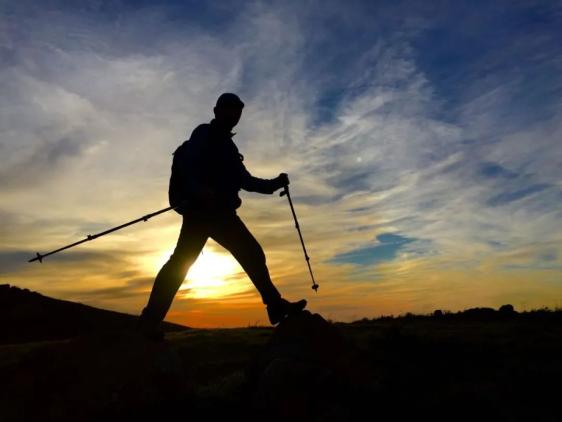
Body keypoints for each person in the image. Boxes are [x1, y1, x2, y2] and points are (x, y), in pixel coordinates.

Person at [137, 93, 307, 341]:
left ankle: (148, 322)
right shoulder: (203, 134)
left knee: (248, 254)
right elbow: (188, 168)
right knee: (187, 263)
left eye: (237, 112)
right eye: (230, 110)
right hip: (204, 214)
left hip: (219, 214)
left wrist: (274, 184)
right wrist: (199, 191)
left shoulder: (228, 146)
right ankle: (148, 322)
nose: (234, 115)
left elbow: (245, 181)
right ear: (217, 111)